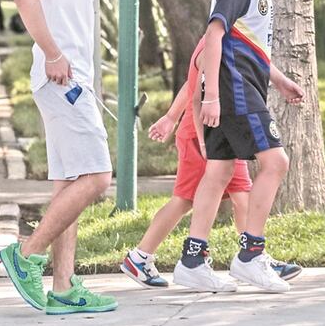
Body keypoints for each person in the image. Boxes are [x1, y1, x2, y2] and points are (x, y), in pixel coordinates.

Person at [1, 0, 141, 315]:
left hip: (66, 79)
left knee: (69, 186)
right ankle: (26, 257)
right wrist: (55, 54)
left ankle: (63, 287)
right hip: (64, 80)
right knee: (98, 177)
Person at [177, 0, 315, 294]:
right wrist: (213, 97)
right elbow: (213, 36)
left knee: (219, 171)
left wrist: (280, 79)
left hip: (241, 88)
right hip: (235, 92)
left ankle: (193, 259)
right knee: (277, 162)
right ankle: (251, 254)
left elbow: (250, 45)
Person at [119, 34, 302, 289]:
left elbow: (190, 84)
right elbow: (197, 97)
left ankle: (251, 257)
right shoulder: (214, 43)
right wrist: (200, 140)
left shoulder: (226, 41)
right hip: (202, 134)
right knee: (188, 200)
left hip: (217, 131)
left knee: (237, 195)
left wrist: (171, 117)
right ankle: (141, 257)